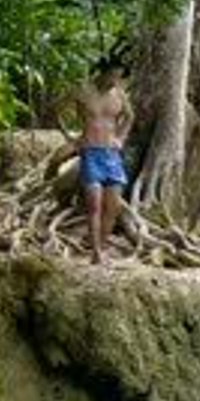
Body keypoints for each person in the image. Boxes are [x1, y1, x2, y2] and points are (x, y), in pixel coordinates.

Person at [49, 63, 133, 264]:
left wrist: (120, 138)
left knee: (112, 207)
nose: (115, 81)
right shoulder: (82, 91)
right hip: (91, 153)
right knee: (94, 205)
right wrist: (69, 137)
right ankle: (95, 253)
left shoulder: (119, 94)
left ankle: (101, 246)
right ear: (102, 73)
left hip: (112, 156)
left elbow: (130, 116)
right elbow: (56, 110)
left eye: (118, 77)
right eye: (112, 76)